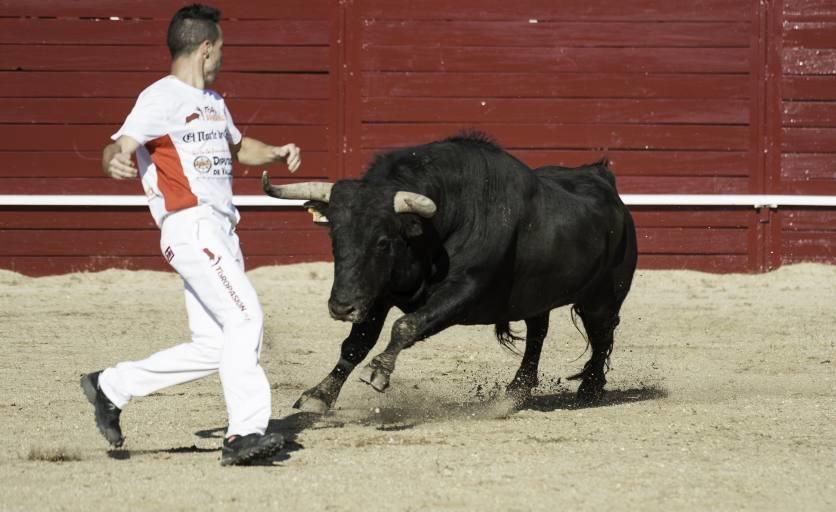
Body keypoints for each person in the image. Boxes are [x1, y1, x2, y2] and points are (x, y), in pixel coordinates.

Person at [80, 3, 301, 466]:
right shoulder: (160, 97)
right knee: (246, 319)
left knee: (215, 346)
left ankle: (112, 385)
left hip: (220, 230)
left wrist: (277, 153)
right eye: (220, 48)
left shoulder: (215, 103)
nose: (222, 57)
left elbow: (241, 148)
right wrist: (112, 162)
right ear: (205, 48)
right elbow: (117, 146)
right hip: (191, 224)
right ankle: (244, 434)